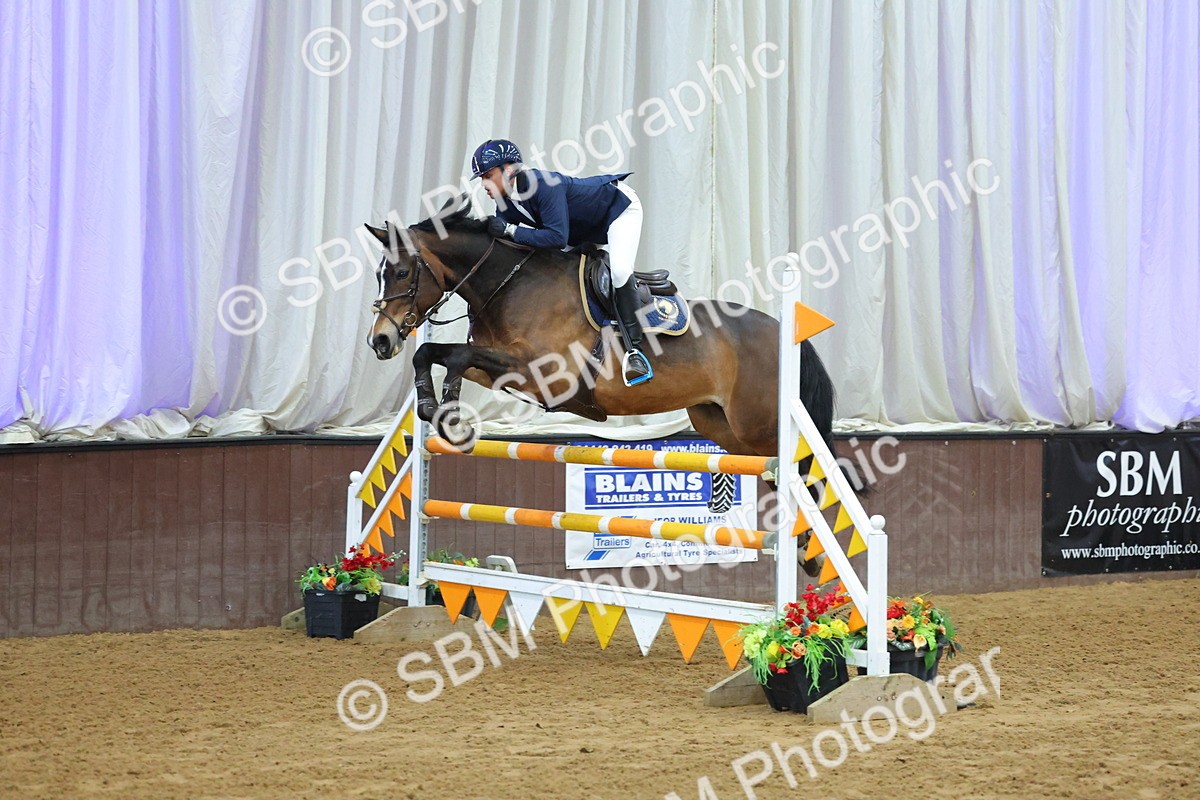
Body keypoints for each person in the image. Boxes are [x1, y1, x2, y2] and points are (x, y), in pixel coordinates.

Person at [470, 138, 653, 386]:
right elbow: (509, 245)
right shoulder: (504, 201)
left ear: (510, 169)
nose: (483, 184)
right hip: (579, 230)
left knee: (620, 272)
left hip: (617, 210)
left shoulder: (543, 185)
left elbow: (556, 237)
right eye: (481, 178)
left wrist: (511, 231)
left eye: (487, 175)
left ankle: (635, 352)